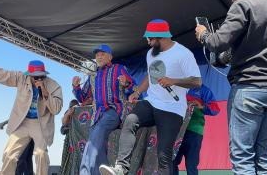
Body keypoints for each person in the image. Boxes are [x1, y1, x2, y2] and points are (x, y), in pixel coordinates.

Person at [99, 19, 201, 175]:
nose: (148, 42)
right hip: (151, 102)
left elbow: (197, 81)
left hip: (172, 109)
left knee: (164, 155)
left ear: (161, 37)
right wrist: (137, 92)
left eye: (150, 39)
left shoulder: (183, 54)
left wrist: (173, 81)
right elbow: (150, 74)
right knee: (130, 121)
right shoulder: (150, 54)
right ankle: (121, 168)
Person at [195, 0, 267, 174]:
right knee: (265, 157)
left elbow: (217, 42)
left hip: (248, 87)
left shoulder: (243, 5)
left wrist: (203, 34)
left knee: (242, 156)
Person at [0, 53, 63, 175]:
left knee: (41, 154)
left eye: (41, 76)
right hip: (22, 122)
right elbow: (0, 74)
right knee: (9, 154)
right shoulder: (21, 78)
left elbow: (56, 110)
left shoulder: (54, 86)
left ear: (45, 75)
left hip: (40, 123)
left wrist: (44, 91)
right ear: (29, 75)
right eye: (35, 77)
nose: (38, 79)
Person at [72, 44, 138, 175]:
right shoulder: (92, 77)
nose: (99, 57)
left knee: (95, 138)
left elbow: (134, 88)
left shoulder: (118, 69)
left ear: (110, 57)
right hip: (97, 116)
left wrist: (126, 83)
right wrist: (76, 87)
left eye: (102, 54)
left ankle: (84, 172)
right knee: (97, 145)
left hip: (114, 111)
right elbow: (83, 98)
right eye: (97, 55)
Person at [173, 84, 220, 175]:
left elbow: (215, 109)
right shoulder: (175, 86)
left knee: (191, 165)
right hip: (176, 131)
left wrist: (201, 106)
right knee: (172, 162)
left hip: (194, 131)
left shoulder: (204, 90)